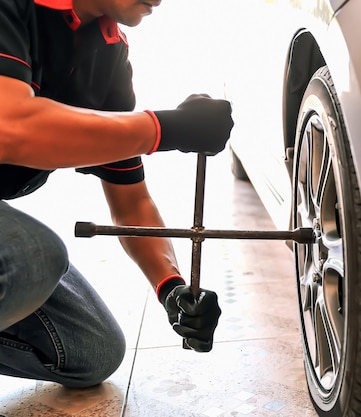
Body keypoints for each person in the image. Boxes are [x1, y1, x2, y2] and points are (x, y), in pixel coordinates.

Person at [0, 0, 233, 388]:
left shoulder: (110, 52)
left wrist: (171, 288)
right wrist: (165, 129)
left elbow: (131, 202)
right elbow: (9, 128)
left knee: (92, 349)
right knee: (34, 256)